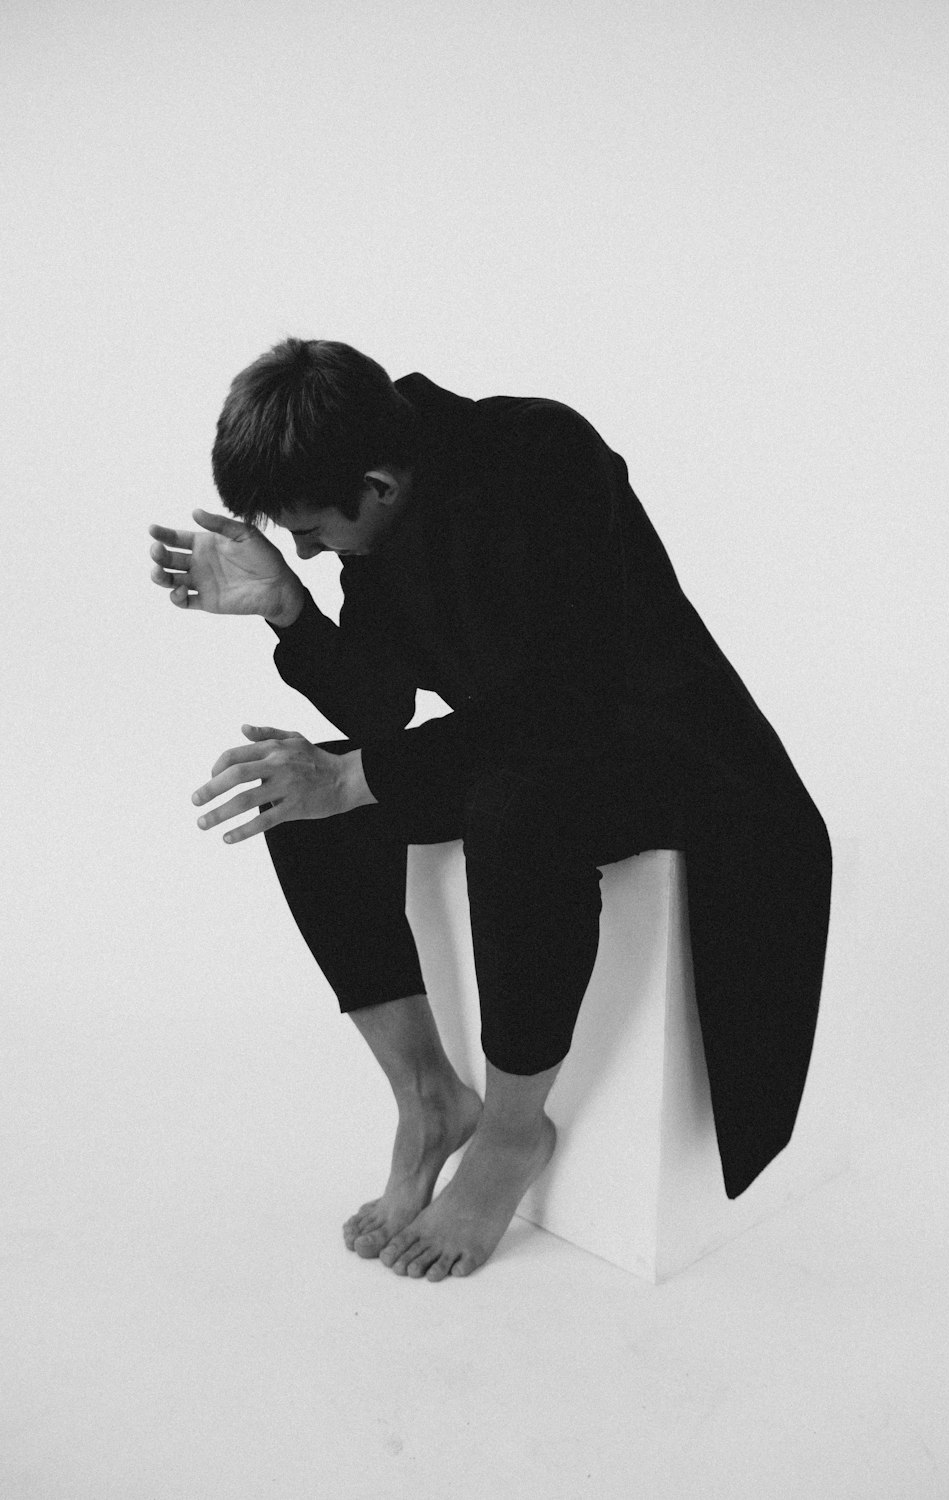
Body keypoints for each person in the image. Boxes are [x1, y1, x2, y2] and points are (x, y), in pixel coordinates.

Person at [149, 338, 832, 1282]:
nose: (308, 547)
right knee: (299, 796)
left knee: (511, 805)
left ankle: (513, 1135)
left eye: (310, 532)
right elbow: (383, 709)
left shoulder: (539, 454)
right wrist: (289, 613)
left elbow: (568, 700)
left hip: (689, 765)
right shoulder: (382, 520)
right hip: (540, 752)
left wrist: (355, 778)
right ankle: (431, 1097)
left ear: (379, 484)